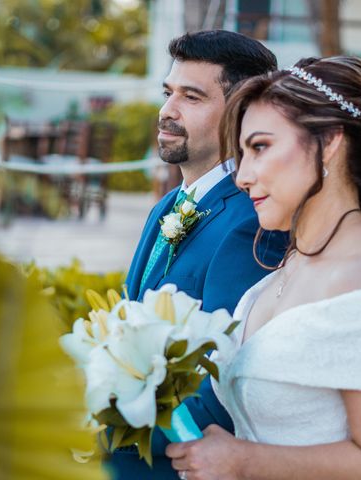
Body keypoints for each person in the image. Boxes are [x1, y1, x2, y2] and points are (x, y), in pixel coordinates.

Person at [166, 56, 361, 480]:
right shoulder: (294, 257)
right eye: (242, 153)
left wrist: (243, 462)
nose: (243, 176)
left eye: (261, 148)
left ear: (329, 142)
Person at [107, 31, 287, 479]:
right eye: (168, 93)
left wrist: (103, 435)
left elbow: (220, 385)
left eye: (192, 96)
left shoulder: (251, 222)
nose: (167, 111)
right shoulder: (166, 208)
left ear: (240, 115)